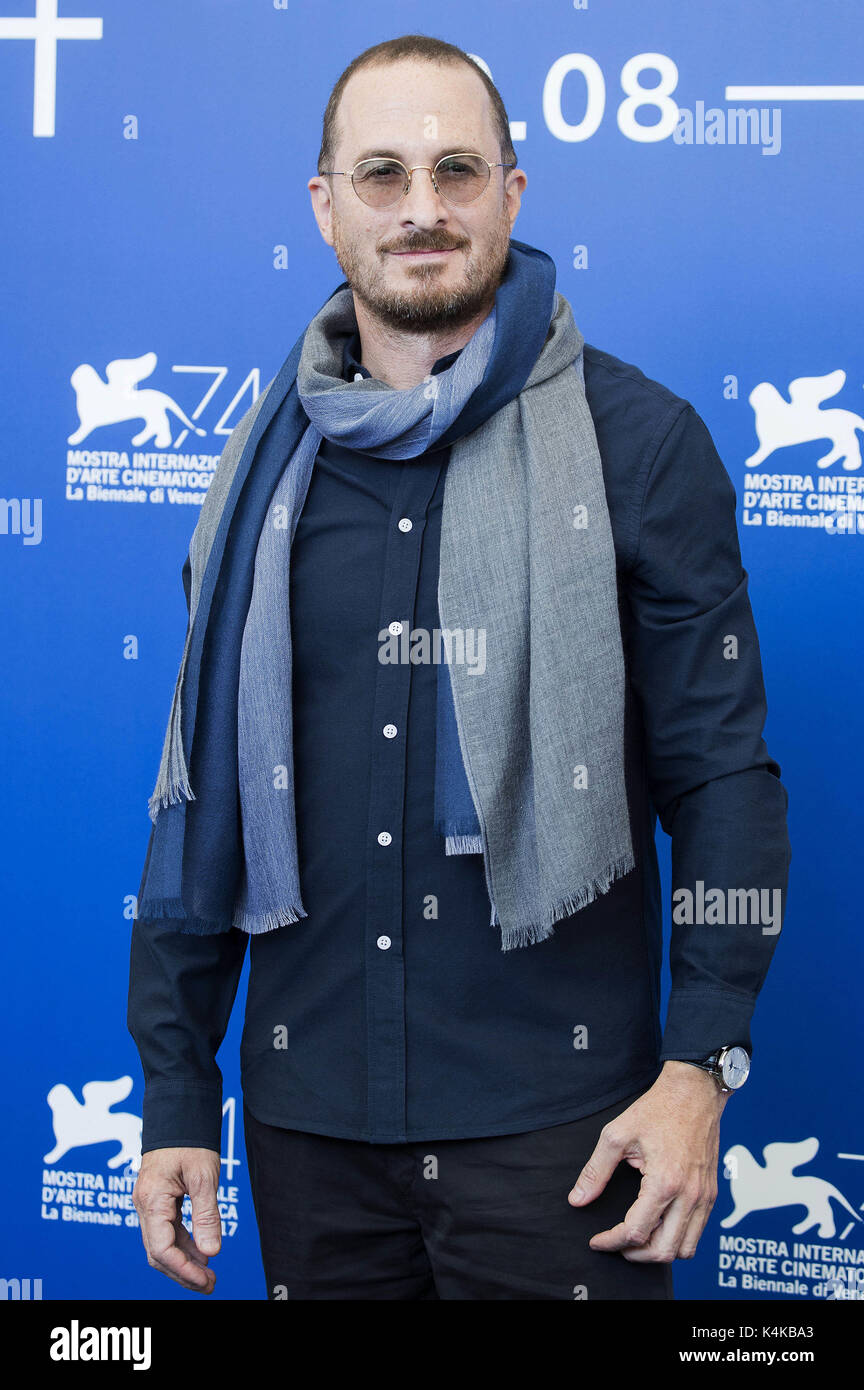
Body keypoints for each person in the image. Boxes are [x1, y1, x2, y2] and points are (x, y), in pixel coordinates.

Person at [128, 33, 791, 1301]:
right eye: (382, 175)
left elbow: (724, 786)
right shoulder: (260, 476)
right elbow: (201, 790)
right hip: (307, 1128)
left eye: (456, 170)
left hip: (566, 1138)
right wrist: (173, 1094)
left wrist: (701, 1065)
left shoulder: (638, 445)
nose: (422, 209)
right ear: (326, 207)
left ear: (513, 195)